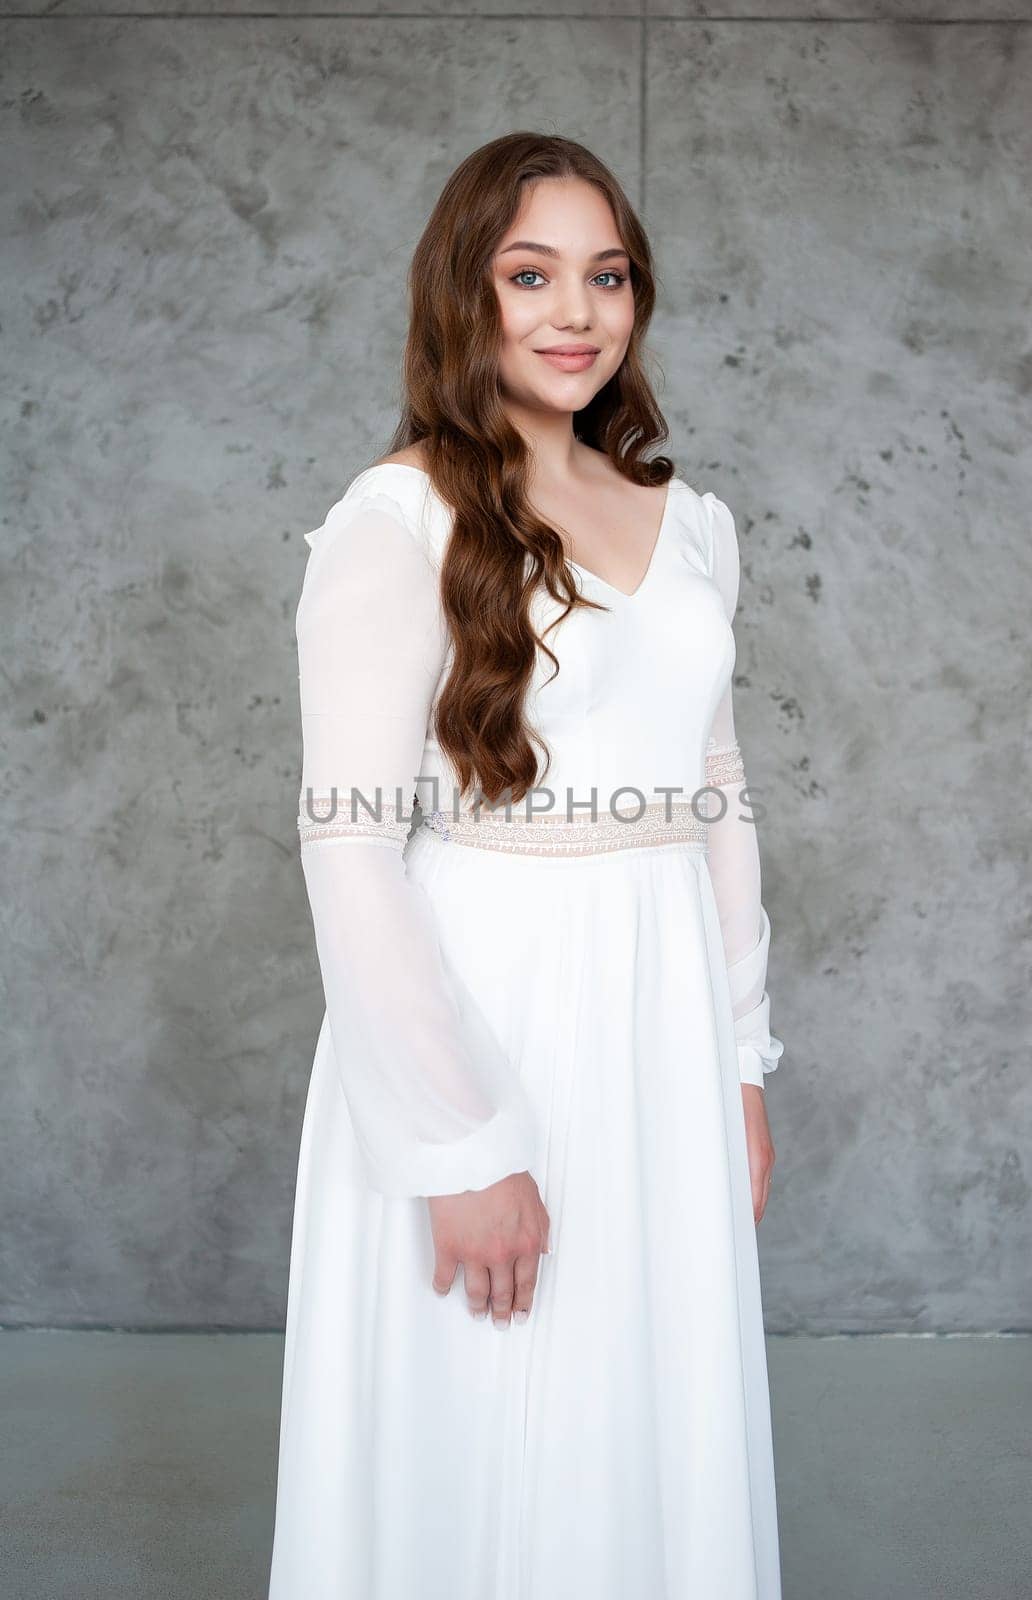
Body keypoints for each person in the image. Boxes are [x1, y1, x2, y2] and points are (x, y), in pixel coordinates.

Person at [268, 130, 785, 1600]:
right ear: (465, 294)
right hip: (478, 1009)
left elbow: (716, 788)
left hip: (661, 1015)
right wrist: (458, 1142)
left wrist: (739, 1058)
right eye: (530, 273)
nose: (576, 312)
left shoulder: (691, 525)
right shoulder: (400, 519)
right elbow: (350, 840)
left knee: (640, 1394)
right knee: (481, 1401)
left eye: (605, 275)